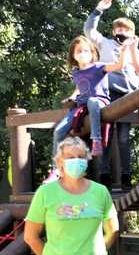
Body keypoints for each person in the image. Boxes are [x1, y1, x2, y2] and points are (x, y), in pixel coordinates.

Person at [84, 0, 139, 191]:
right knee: (107, 135)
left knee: (124, 137)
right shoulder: (106, 44)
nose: (122, 32)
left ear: (132, 34)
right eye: (119, 29)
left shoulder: (136, 50)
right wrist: (98, 10)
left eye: (126, 30)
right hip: (109, 93)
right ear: (113, 31)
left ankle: (127, 176)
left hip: (129, 96)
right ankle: (105, 175)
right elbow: (89, 31)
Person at [49, 36, 127, 182]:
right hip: (81, 105)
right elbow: (79, 88)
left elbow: (119, 66)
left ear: (92, 53)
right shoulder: (76, 72)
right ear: (73, 54)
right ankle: (56, 169)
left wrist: (123, 51)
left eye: (86, 50)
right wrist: (71, 98)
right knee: (59, 131)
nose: (83, 53)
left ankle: (96, 140)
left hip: (100, 101)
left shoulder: (99, 67)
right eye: (79, 51)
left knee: (92, 101)